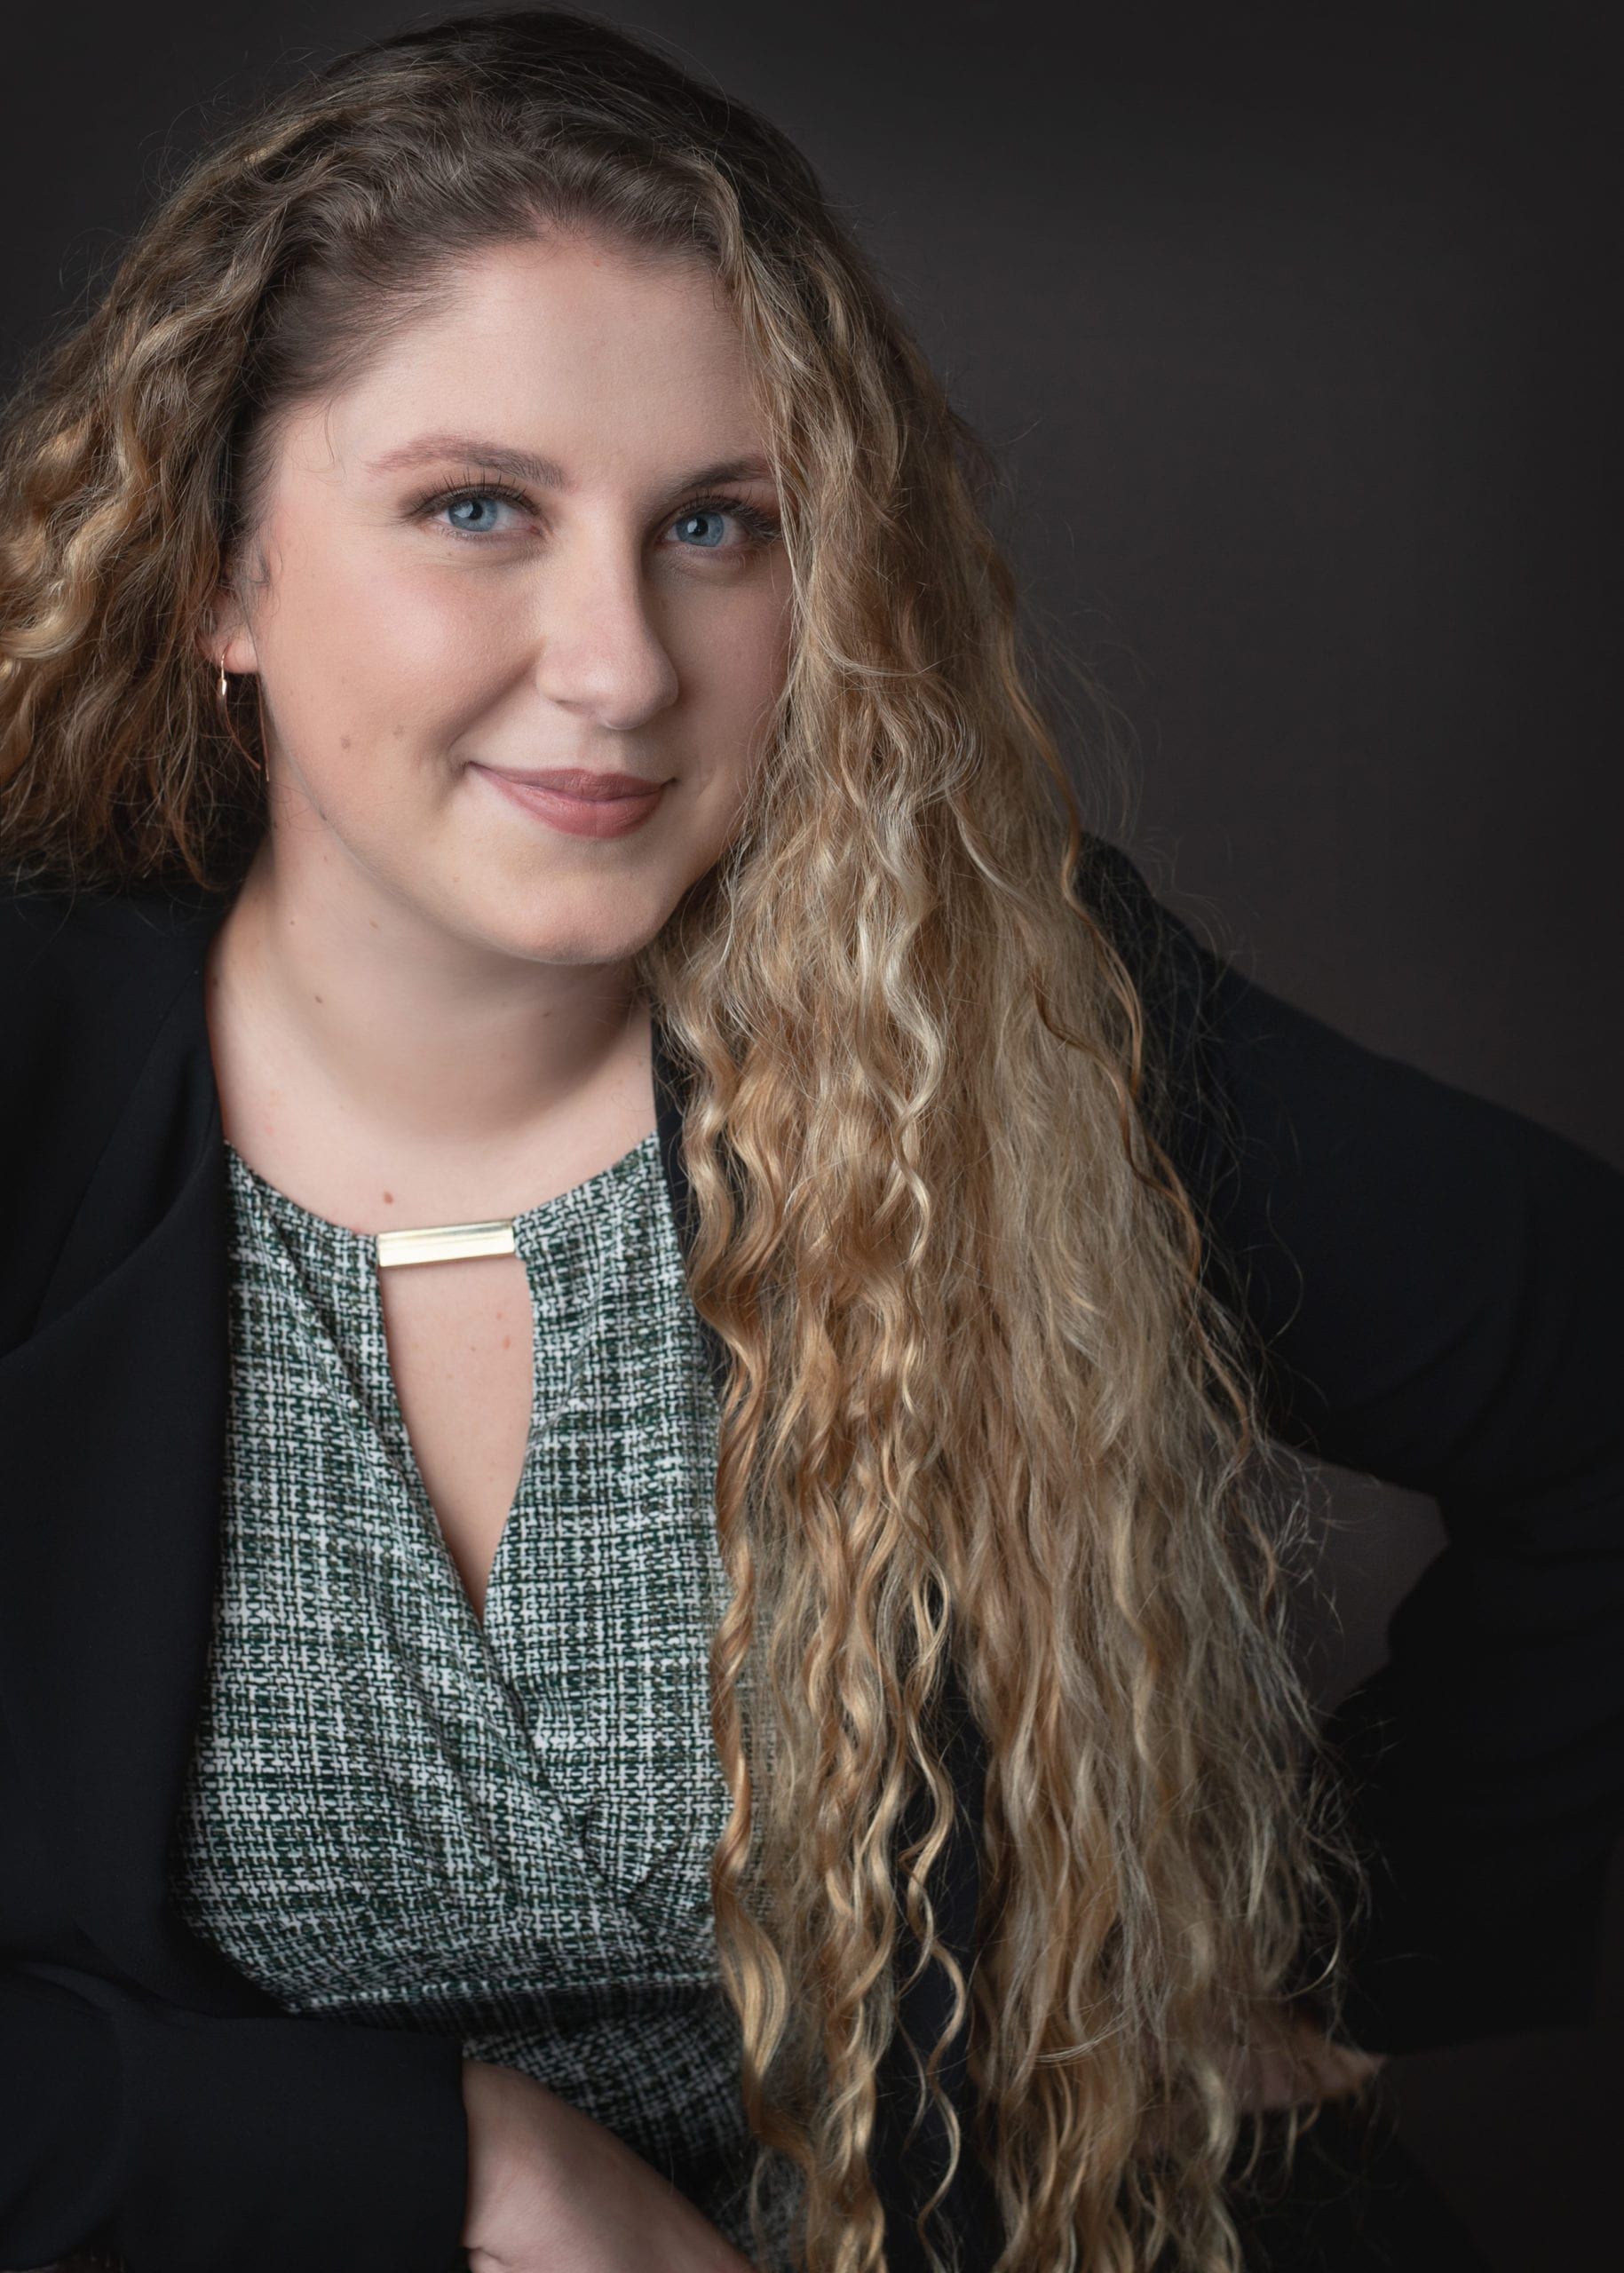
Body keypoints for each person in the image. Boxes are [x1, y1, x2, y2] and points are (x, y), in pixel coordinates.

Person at [0, 9, 1616, 2271]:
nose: (620, 663)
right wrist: (454, 2160)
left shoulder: (991, 1017)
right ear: (222, 573)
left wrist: (1329, 1961)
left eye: (718, 528)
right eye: (479, 507)